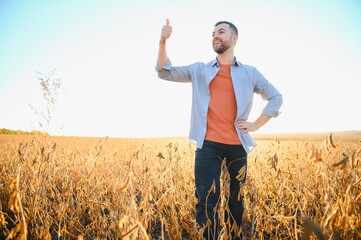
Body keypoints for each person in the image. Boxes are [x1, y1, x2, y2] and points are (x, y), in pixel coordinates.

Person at [155, 19, 283, 239]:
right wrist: (163, 42)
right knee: (206, 201)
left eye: (221, 32)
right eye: (213, 32)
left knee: (236, 201)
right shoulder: (199, 70)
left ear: (234, 39)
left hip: (237, 147)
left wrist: (255, 125)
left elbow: (276, 97)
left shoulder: (250, 73)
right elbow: (164, 72)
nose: (215, 35)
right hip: (208, 146)